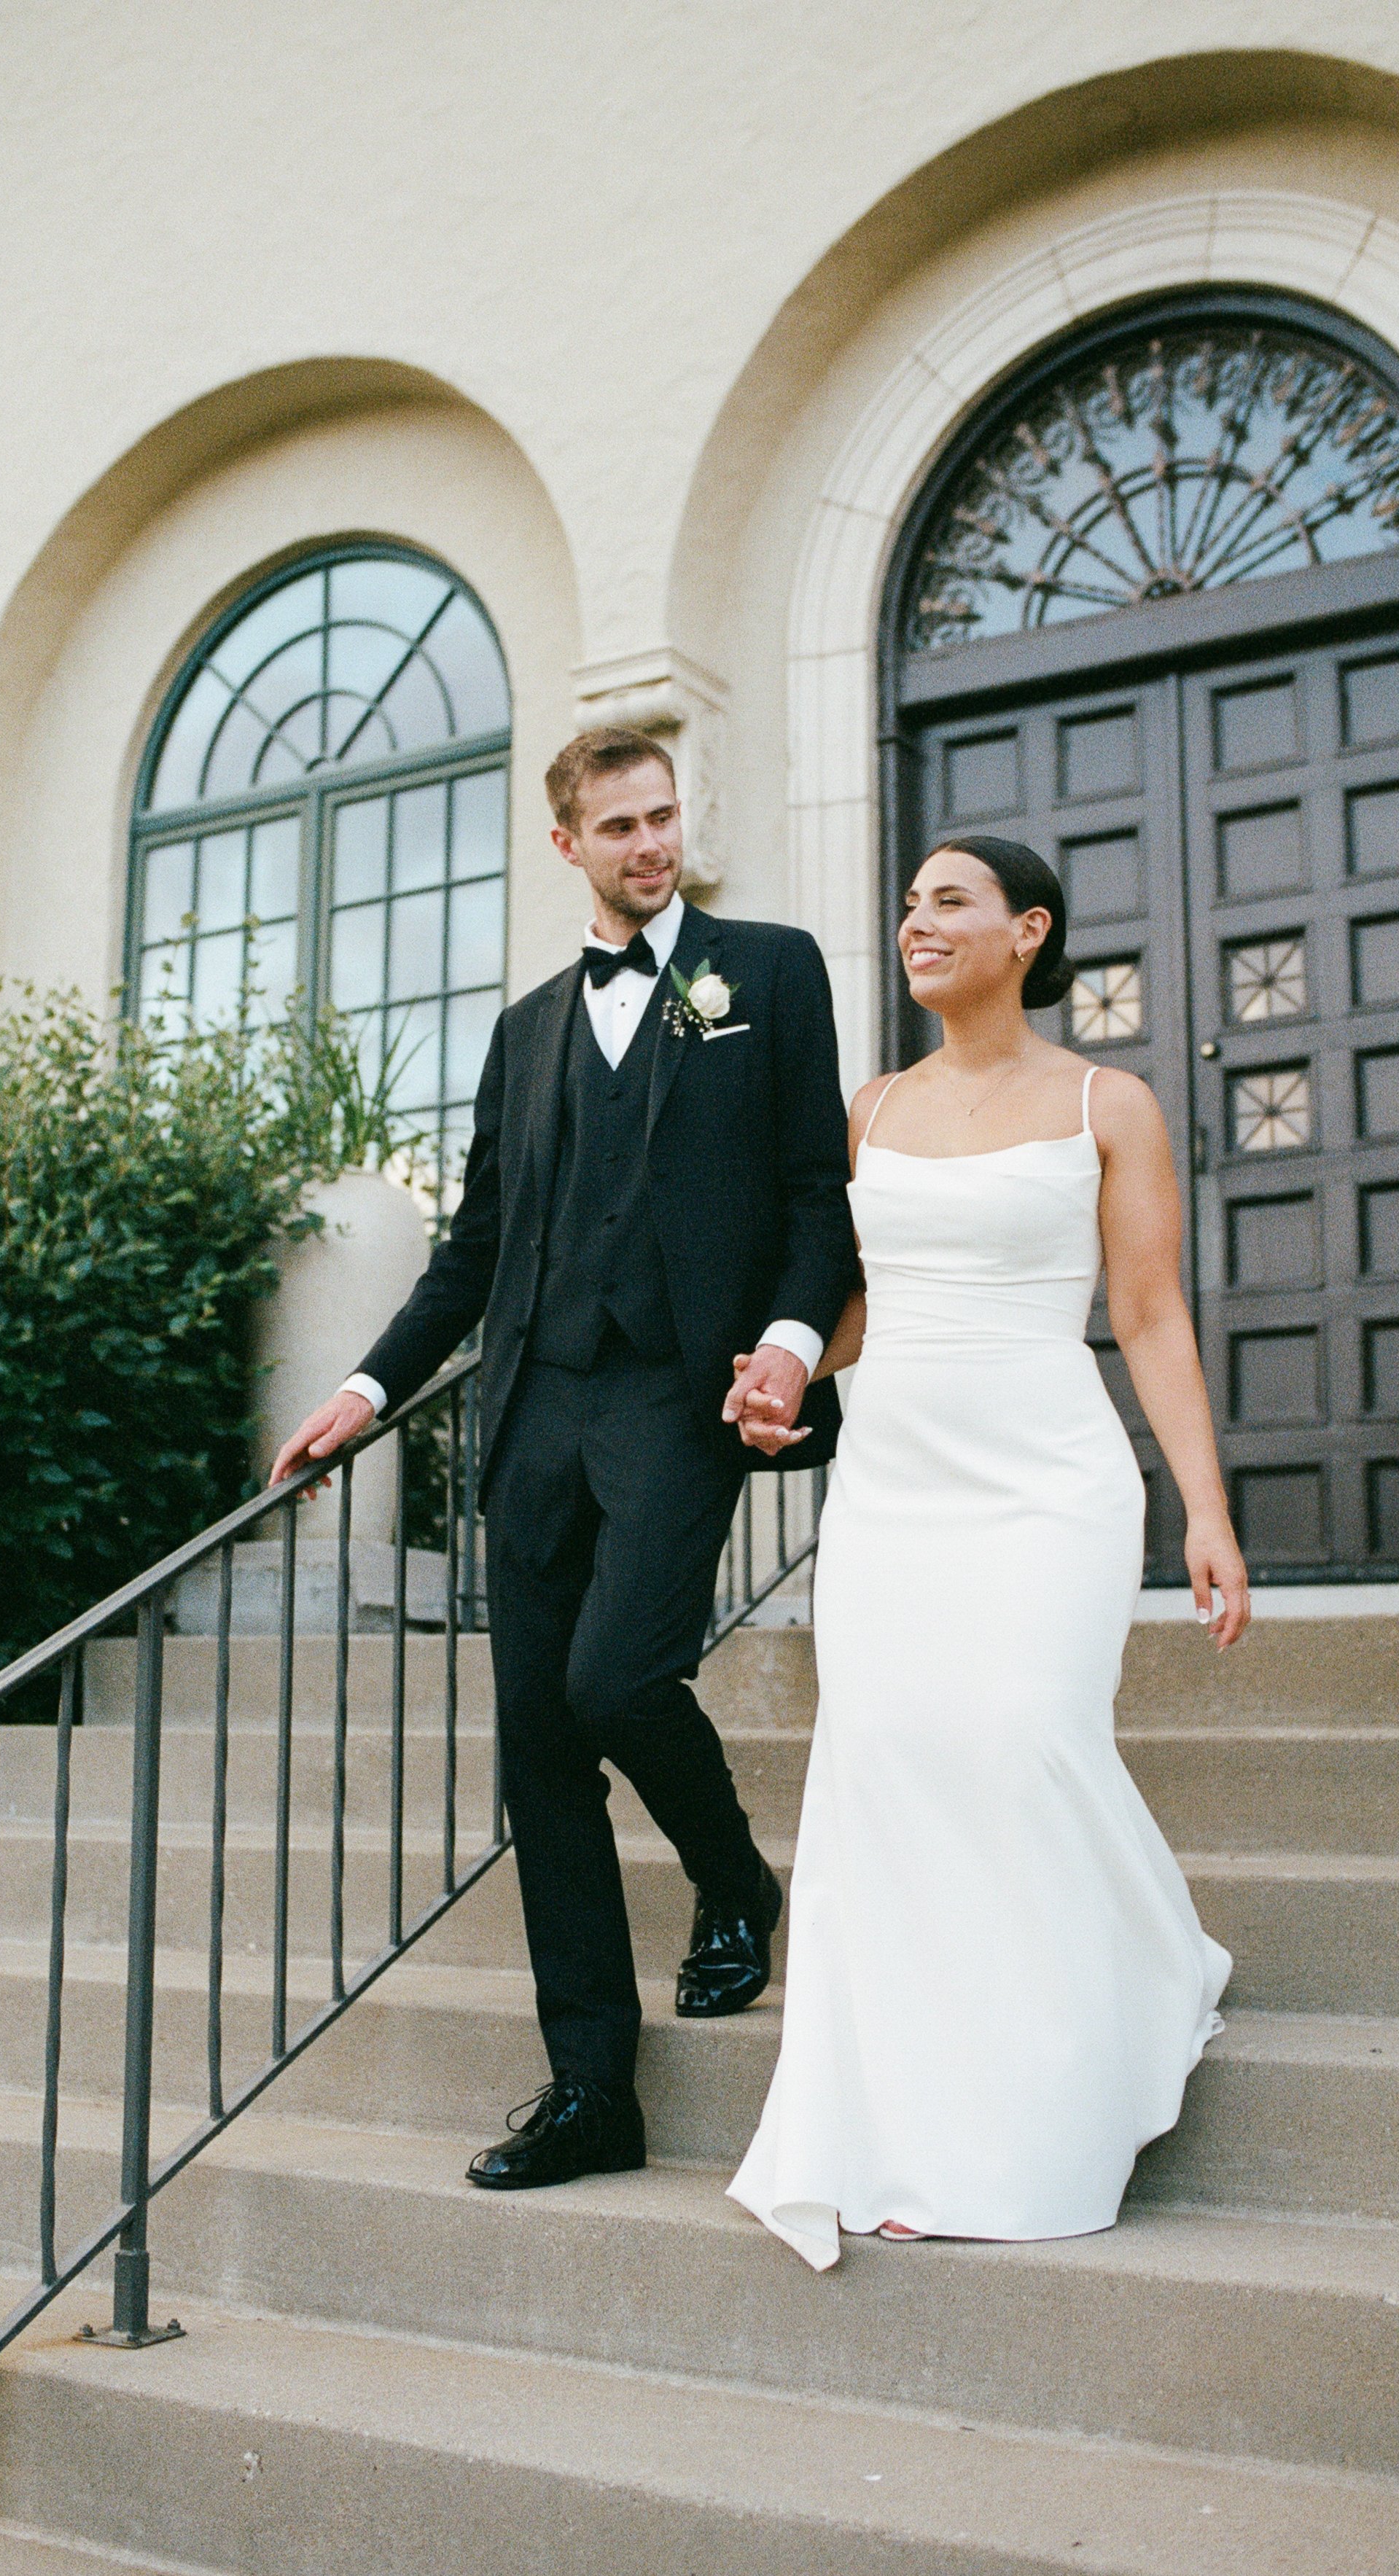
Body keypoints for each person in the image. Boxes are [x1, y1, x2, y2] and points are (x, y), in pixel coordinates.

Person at [271, 727, 860, 2190]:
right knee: (541, 1754)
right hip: (532, 1414)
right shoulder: (524, 1031)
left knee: (617, 1679)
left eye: (665, 818)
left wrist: (791, 1340)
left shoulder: (767, 973)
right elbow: (470, 1254)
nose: (652, 845)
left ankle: (733, 1881)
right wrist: (364, 1387)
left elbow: (815, 1199)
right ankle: (592, 2088)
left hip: (680, 1393)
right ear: (567, 846)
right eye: (621, 827)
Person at [727, 835, 1246, 2269]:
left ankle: (1107, 2022)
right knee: (889, 1768)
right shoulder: (868, 1110)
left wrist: (1203, 1508)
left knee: (1025, 1745)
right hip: (894, 1487)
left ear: (1029, 931)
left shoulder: (1107, 1102)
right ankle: (902, 2119)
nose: (916, 922)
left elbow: (1146, 1314)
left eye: (948, 902)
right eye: (907, 904)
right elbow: (853, 1307)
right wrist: (787, 1372)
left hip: (1046, 1482)